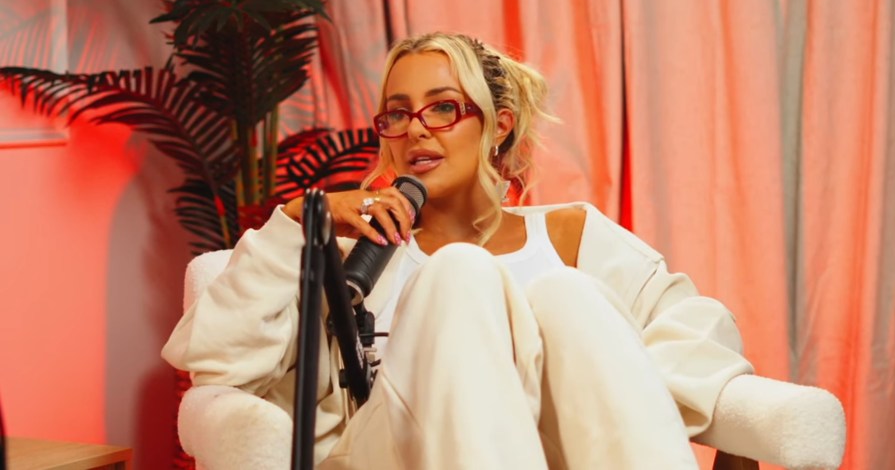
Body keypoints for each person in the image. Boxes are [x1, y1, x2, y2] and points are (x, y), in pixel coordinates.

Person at [162, 32, 754, 469]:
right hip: (385, 457)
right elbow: (219, 364)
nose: (416, 129)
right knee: (461, 275)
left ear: (497, 125)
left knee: (569, 296)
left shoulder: (573, 237)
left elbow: (702, 332)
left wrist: (734, 440)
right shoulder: (350, 251)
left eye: (443, 107)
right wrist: (300, 220)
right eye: (397, 114)